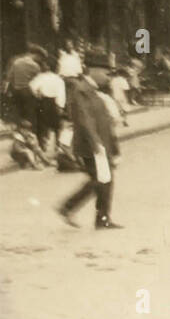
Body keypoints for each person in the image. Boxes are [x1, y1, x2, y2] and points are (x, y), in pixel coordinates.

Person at [57, 74, 122, 231]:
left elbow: (104, 121)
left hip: (100, 144)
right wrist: (96, 143)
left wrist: (113, 147)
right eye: (105, 72)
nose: (107, 77)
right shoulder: (81, 90)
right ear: (94, 70)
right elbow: (85, 120)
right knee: (100, 180)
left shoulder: (93, 90)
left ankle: (101, 218)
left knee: (105, 180)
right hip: (91, 146)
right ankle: (69, 208)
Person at [29, 58, 66, 154]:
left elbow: (31, 85)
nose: (43, 66)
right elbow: (61, 93)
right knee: (57, 127)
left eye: (45, 65)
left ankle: (42, 148)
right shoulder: (59, 79)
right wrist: (60, 106)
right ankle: (57, 148)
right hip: (55, 103)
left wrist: (37, 94)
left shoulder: (41, 77)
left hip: (43, 102)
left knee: (42, 126)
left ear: (48, 67)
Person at [3, 45, 43, 124]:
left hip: (16, 91)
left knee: (19, 114)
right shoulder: (35, 66)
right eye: (39, 57)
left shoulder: (16, 62)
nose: (39, 59)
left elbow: (9, 77)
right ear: (35, 54)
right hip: (28, 92)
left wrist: (6, 91)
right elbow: (39, 81)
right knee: (30, 115)